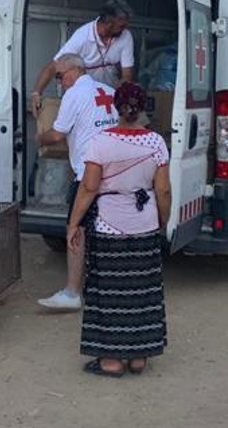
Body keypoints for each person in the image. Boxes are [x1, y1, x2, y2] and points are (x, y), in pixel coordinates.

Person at [68, 81, 171, 376]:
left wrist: (73, 224)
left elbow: (89, 188)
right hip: (144, 226)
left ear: (116, 106)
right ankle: (139, 357)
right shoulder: (155, 143)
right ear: (142, 109)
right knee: (142, 292)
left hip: (108, 228)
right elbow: (163, 191)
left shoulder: (100, 142)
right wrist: (160, 221)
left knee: (109, 293)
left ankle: (112, 360)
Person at [36, 54, 120, 310]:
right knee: (110, 232)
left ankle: (72, 293)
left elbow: (58, 133)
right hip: (115, 173)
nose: (59, 83)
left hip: (88, 176)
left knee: (77, 231)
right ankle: (110, 289)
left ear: (73, 71)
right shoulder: (107, 91)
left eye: (60, 77)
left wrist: (39, 137)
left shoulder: (73, 95)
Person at [30, 0, 135, 116]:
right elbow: (53, 66)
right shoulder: (82, 36)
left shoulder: (126, 36)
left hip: (109, 96)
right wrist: (36, 93)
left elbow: (127, 75)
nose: (125, 28)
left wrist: (120, 95)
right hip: (84, 97)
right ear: (108, 23)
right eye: (121, 26)